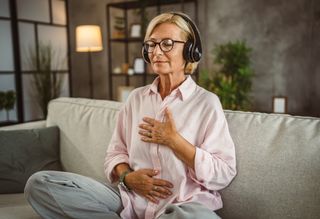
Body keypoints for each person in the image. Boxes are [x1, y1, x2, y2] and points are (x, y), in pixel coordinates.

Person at [24, 12, 236, 219]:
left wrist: (174, 141)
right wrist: (127, 177)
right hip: (129, 201)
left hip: (182, 206)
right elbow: (115, 153)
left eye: (167, 43)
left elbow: (223, 173)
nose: (156, 52)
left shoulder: (206, 103)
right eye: (152, 44)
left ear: (190, 51)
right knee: (39, 184)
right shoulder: (136, 99)